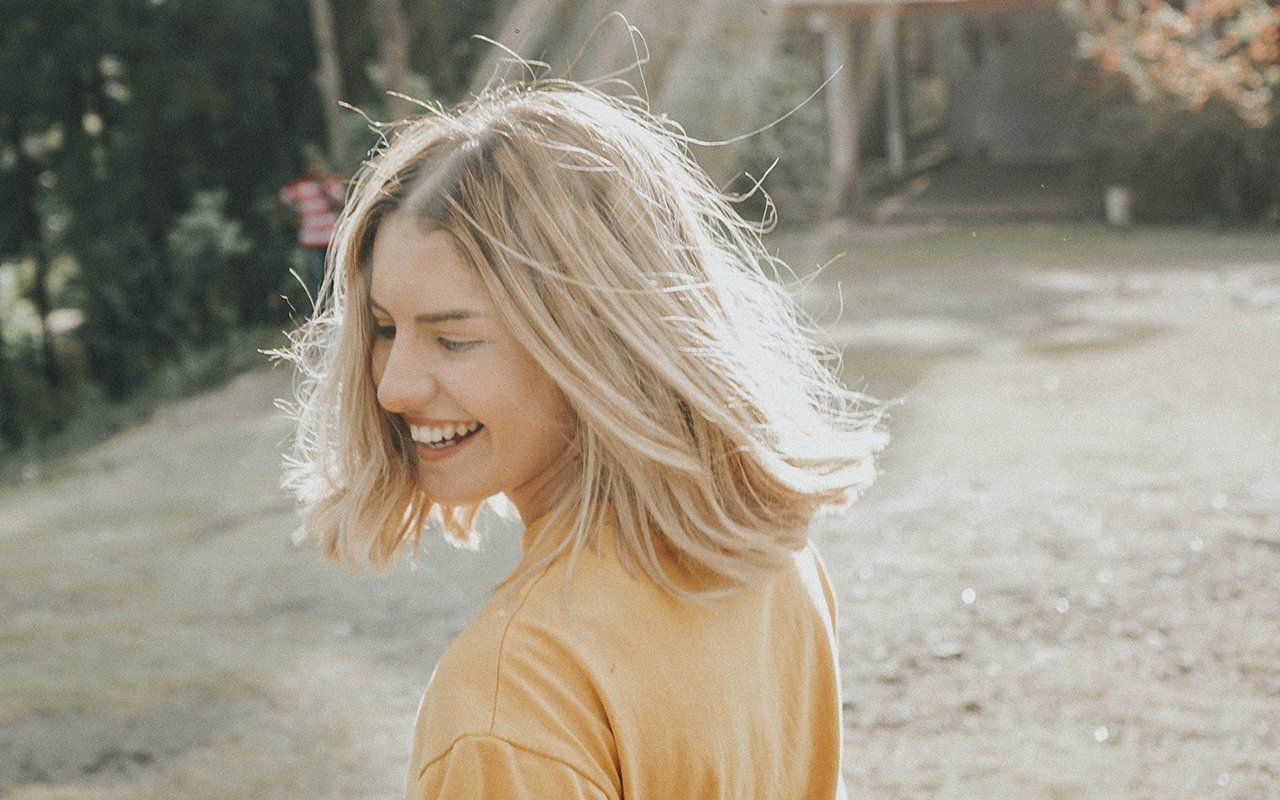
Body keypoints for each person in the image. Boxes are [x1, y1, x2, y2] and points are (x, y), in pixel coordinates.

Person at [279, 79, 885, 799]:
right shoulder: (767, 552)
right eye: (384, 329)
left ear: (591, 343)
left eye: (453, 339)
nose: (393, 386)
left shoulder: (510, 703)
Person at [278, 147, 345, 302]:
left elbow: (340, 204)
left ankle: (336, 308)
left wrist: (323, 185)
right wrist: (293, 220)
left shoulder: (332, 182)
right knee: (316, 280)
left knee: (335, 278)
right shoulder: (300, 186)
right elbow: (281, 201)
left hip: (331, 240)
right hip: (311, 241)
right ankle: (319, 311)